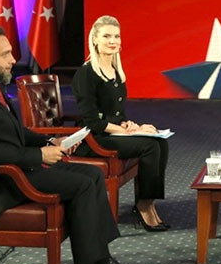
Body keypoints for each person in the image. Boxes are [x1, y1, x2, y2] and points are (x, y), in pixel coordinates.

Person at [0, 26, 145, 264]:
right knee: (83, 185)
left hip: (15, 169)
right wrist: (40, 155)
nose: (13, 60)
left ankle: (100, 260)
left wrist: (49, 141)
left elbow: (15, 133)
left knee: (94, 175)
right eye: (5, 54)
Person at [72, 15, 170, 232]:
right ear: (95, 39)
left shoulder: (115, 71)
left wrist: (130, 125)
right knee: (150, 146)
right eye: (106, 36)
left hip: (112, 133)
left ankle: (148, 201)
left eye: (116, 36)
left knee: (160, 142)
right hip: (94, 139)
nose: (113, 41)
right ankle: (143, 206)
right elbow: (92, 121)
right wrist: (126, 133)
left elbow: (116, 114)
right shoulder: (86, 74)